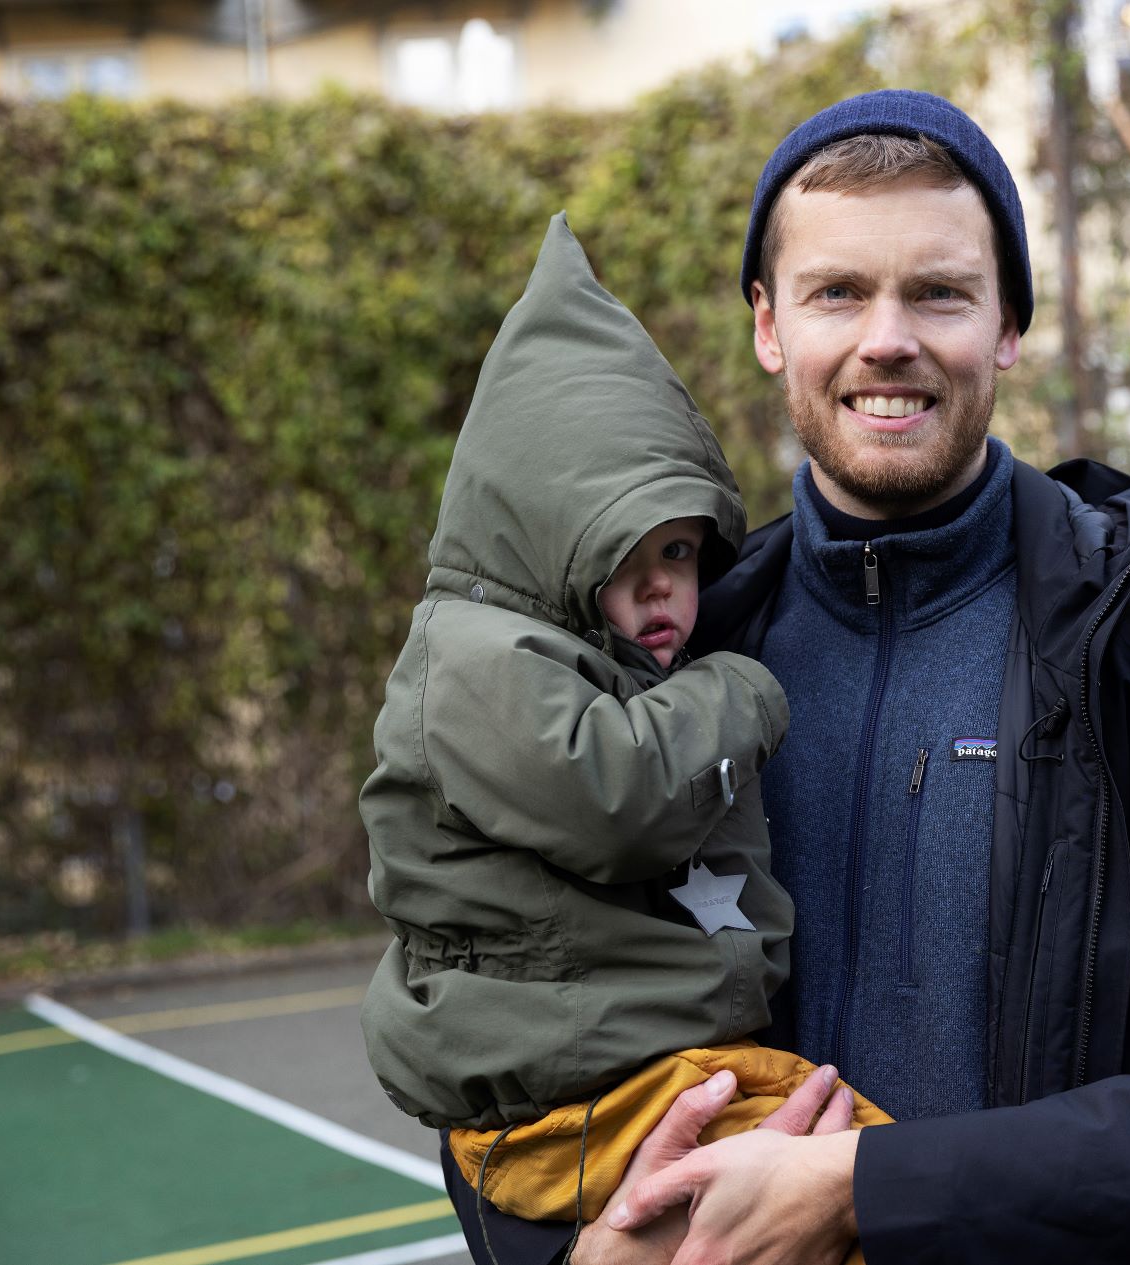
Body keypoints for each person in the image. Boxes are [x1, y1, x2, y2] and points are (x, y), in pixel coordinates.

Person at [453, 89, 1130, 1265]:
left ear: (1006, 328)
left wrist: (861, 1186)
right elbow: (482, 1014)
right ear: (768, 325)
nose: (887, 336)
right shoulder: (658, 665)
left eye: (938, 291)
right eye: (837, 291)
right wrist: (573, 1255)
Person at [359, 213, 888, 1247]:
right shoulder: (476, 659)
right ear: (545, 540)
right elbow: (616, 796)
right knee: (870, 1172)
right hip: (563, 1092)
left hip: (622, 1066)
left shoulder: (590, 659)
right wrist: (743, 689)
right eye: (624, 551)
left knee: (848, 1169)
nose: (663, 586)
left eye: (684, 550)